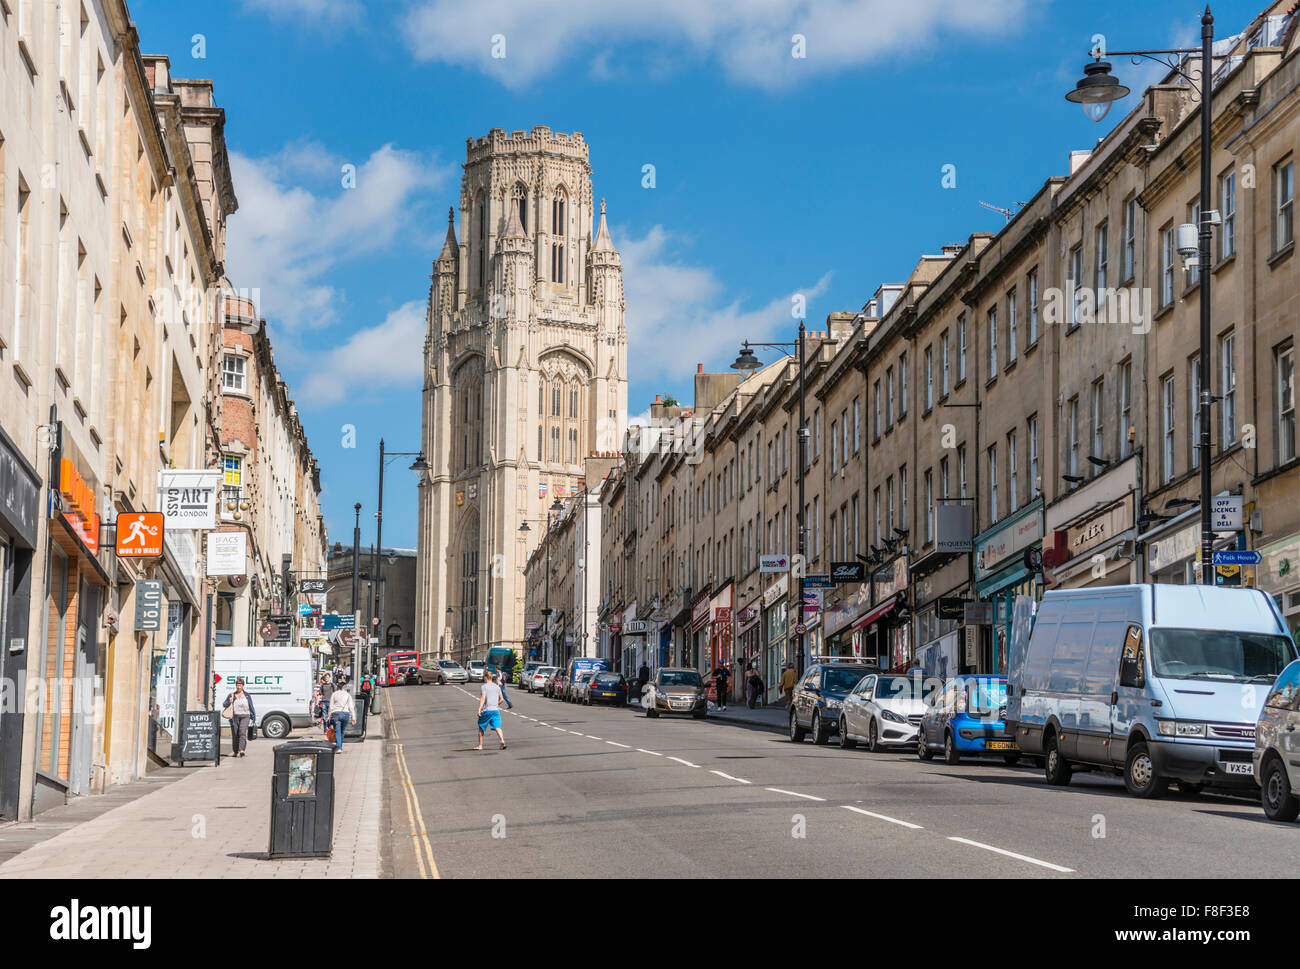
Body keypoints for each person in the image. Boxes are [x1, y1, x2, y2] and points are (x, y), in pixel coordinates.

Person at [222, 678, 256, 757]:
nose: (238, 687)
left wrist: (253, 717)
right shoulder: (232, 695)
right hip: (234, 717)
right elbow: (224, 704)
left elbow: (251, 706)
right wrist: (229, 701)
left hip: (245, 716)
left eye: (240, 685)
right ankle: (235, 751)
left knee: (242, 732)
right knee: (235, 734)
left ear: (243, 686)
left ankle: (242, 750)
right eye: (237, 685)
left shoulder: (247, 695)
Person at [476, 671, 506, 751]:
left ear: (486, 677)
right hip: (495, 710)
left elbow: (483, 698)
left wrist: (479, 709)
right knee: (497, 727)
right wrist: (496, 704)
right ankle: (502, 740)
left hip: (487, 710)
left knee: (481, 727)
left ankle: (480, 745)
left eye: (484, 677)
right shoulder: (497, 687)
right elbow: (502, 699)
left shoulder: (484, 687)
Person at [328, 678, 355, 754]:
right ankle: (340, 745)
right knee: (342, 731)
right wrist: (353, 718)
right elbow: (351, 707)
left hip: (336, 714)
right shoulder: (347, 695)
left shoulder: (334, 694)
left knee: (337, 731)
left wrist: (328, 716)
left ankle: (339, 747)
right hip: (345, 714)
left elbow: (331, 706)